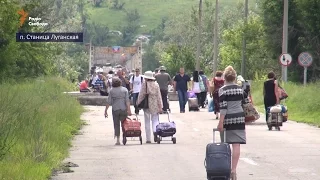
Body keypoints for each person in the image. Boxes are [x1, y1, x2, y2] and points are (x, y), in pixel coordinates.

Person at [217, 66, 248, 180]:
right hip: (239, 118)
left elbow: (223, 108)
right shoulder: (240, 89)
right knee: (236, 144)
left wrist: (220, 122)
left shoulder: (223, 90)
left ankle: (226, 167)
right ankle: (233, 170)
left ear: (225, 77)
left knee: (225, 145)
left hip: (228, 119)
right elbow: (245, 103)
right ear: (235, 77)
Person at [137, 71, 163, 143]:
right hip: (154, 104)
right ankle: (155, 132)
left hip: (147, 105)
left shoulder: (144, 85)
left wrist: (138, 103)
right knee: (155, 120)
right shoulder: (156, 85)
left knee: (147, 121)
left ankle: (148, 139)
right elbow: (159, 96)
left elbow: (141, 95)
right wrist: (160, 106)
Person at [104, 77, 132, 145]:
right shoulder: (124, 90)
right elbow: (127, 101)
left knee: (116, 124)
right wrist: (129, 110)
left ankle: (118, 140)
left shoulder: (111, 91)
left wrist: (106, 111)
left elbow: (109, 102)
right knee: (124, 124)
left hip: (115, 109)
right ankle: (124, 136)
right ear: (120, 82)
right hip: (123, 109)